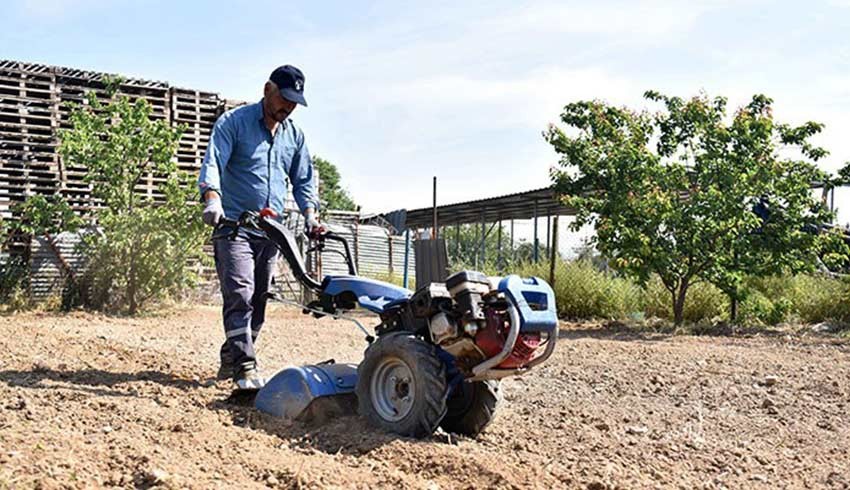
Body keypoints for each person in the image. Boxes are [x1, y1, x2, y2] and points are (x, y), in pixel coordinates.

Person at [197, 65, 321, 390]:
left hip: (270, 230)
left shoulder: (294, 135)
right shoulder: (234, 123)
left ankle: (233, 353)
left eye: (295, 102)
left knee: (261, 300)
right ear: (268, 89)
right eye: (284, 98)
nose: (288, 107)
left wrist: (310, 215)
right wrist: (212, 198)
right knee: (240, 294)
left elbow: (304, 179)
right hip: (235, 225)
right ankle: (245, 367)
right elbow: (213, 161)